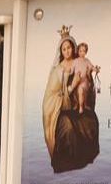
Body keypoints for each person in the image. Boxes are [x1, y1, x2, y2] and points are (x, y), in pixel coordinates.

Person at [42, 33, 101, 173]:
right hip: (62, 111)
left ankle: (86, 158)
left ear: (73, 48)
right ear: (61, 51)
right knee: (68, 127)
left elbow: (87, 79)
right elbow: (51, 98)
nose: (67, 51)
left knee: (90, 120)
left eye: (69, 48)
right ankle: (67, 163)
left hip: (77, 106)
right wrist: (72, 86)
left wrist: (89, 76)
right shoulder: (57, 71)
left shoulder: (78, 62)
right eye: (64, 49)